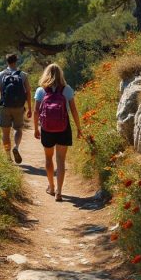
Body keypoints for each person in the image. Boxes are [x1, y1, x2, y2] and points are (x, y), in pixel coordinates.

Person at [33, 63, 83, 202]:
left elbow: (36, 111)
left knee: (48, 159)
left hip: (47, 129)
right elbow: (73, 111)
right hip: (63, 128)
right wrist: (79, 128)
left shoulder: (40, 90)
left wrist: (36, 129)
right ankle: (59, 193)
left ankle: (51, 186)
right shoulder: (67, 89)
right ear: (61, 74)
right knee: (61, 160)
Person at [0, 53, 32, 164]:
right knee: (18, 129)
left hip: (4, 107)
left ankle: (8, 157)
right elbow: (28, 93)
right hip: (19, 107)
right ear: (16, 61)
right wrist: (30, 108)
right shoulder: (23, 75)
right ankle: (16, 147)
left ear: (7, 61)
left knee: (5, 133)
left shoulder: (1, 74)